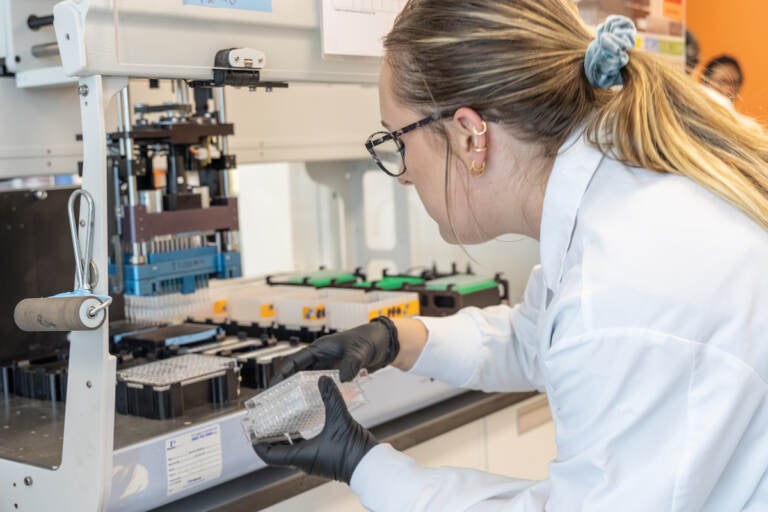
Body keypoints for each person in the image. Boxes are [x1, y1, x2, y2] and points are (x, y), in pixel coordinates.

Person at [253, 1, 768, 510]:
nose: (403, 172)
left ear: (470, 134)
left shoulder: (620, 290)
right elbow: (538, 338)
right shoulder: (620, 190)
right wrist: (399, 340)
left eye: (397, 140)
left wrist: (363, 464)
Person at [700, 54, 762, 130]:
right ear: (705, 81)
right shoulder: (692, 117)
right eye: (722, 82)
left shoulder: (750, 127)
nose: (728, 90)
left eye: (735, 83)